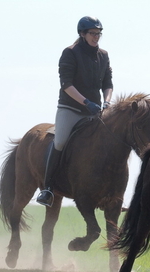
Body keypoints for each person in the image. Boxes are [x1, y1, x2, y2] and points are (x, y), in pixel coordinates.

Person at [35, 16, 114, 207]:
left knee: (109, 142)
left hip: (94, 111)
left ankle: (110, 192)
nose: (97, 37)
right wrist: (86, 102)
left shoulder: (103, 55)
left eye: (99, 34)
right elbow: (66, 85)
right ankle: (48, 189)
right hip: (70, 108)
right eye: (93, 34)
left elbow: (108, 83)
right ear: (82, 33)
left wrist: (107, 102)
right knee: (60, 141)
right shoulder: (70, 53)